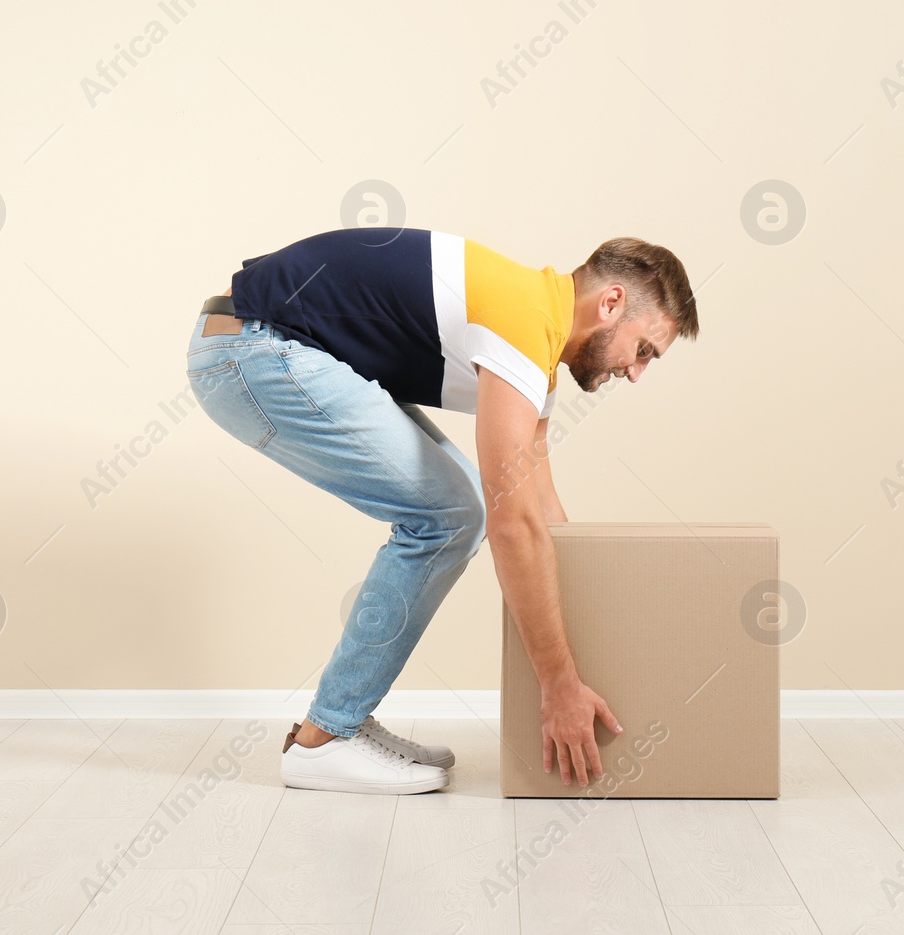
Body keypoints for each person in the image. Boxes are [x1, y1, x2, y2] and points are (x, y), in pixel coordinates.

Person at [184, 228, 699, 795]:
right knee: (455, 513)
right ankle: (328, 740)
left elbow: (542, 515)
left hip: (265, 346)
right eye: (645, 349)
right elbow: (513, 526)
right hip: (250, 350)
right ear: (611, 304)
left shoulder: (537, 340)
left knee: (463, 509)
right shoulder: (524, 323)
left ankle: (341, 724)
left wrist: (595, 643)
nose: (637, 372)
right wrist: (558, 685)